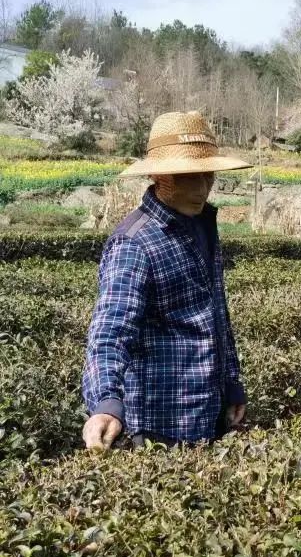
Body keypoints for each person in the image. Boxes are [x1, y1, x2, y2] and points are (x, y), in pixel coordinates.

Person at [81, 111, 253, 449]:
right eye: (187, 177)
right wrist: (106, 403)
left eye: (207, 175)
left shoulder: (203, 226)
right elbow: (110, 332)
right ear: (160, 175)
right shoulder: (135, 243)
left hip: (208, 413)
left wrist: (231, 384)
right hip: (161, 425)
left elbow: (216, 315)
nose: (202, 188)